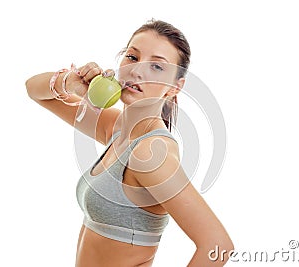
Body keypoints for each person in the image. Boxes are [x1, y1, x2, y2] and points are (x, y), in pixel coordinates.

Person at [26, 19, 234, 267]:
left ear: (174, 88)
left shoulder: (151, 154)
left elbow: (218, 245)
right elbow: (34, 90)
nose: (137, 71)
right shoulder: (117, 129)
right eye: (133, 58)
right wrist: (71, 81)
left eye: (156, 66)